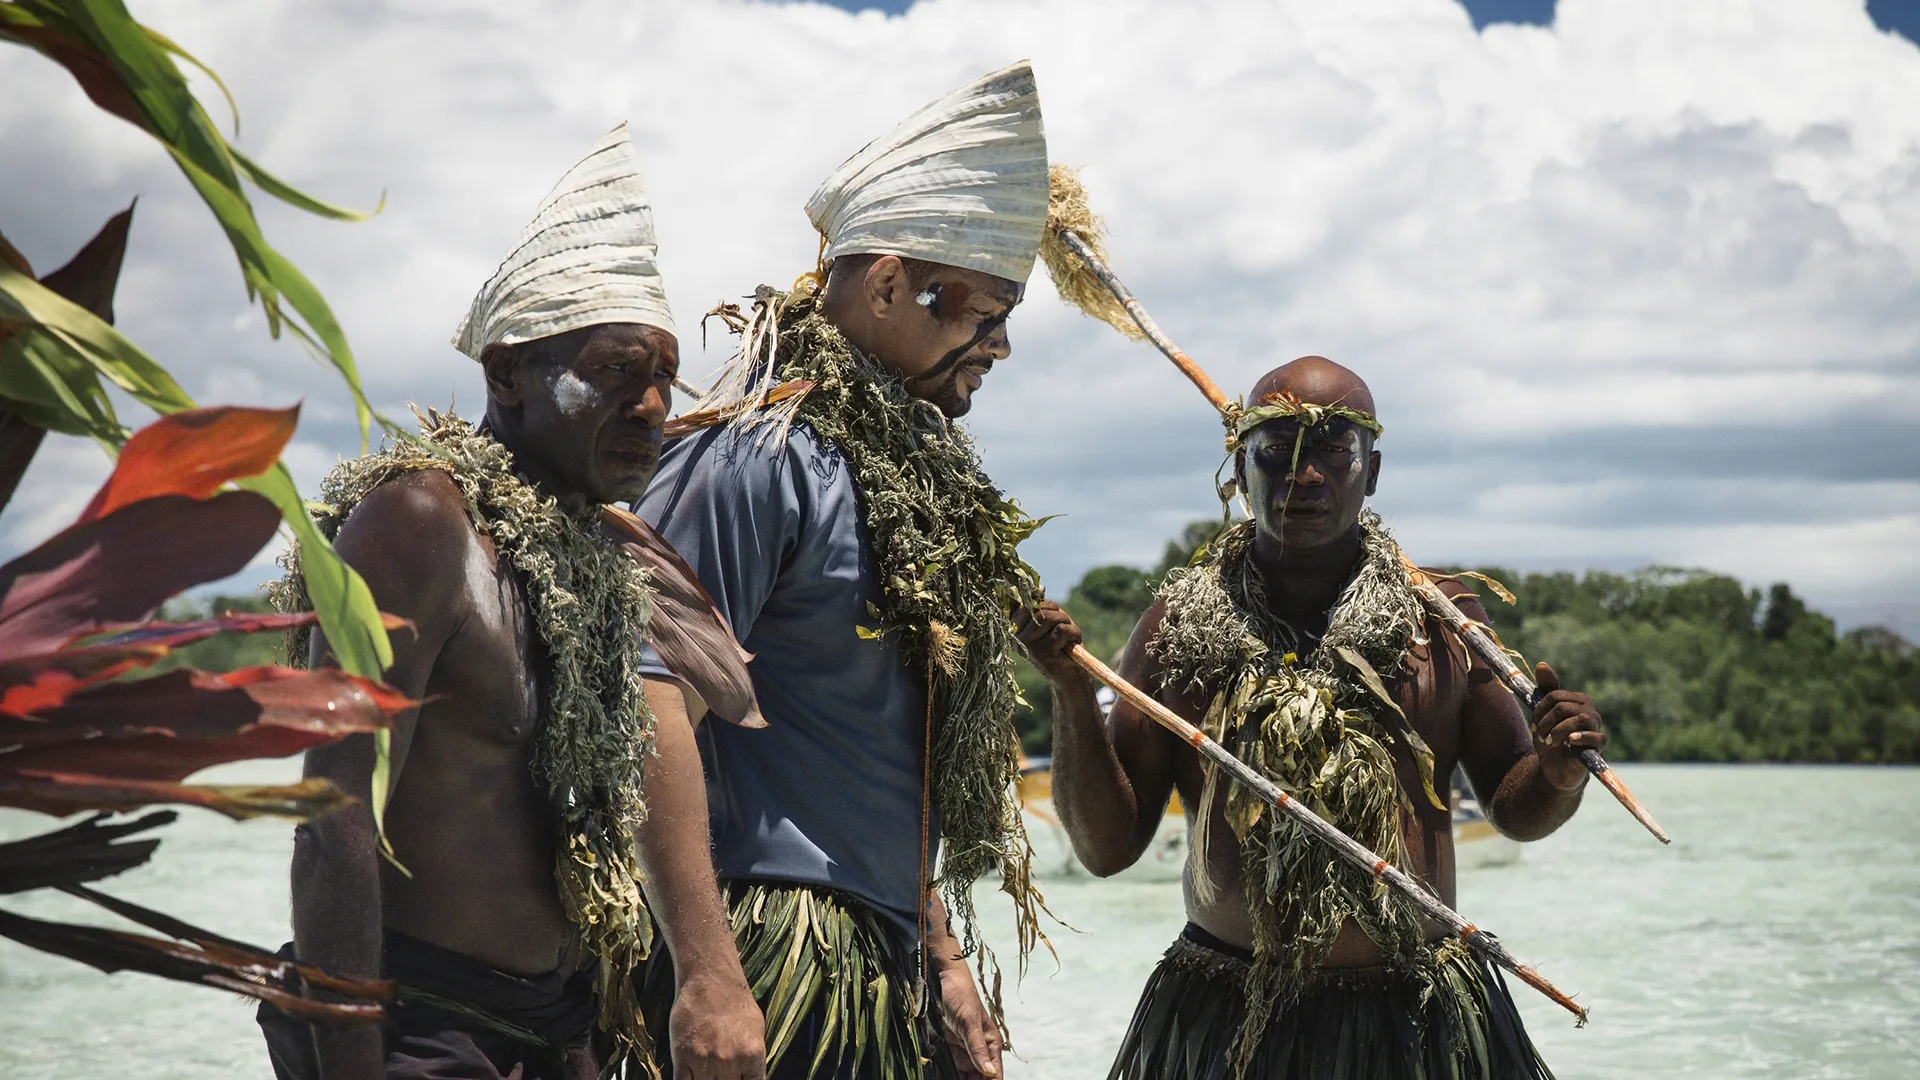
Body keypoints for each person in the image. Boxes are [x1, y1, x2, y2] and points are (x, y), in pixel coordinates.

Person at [259, 126, 766, 1080]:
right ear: (506, 376)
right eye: (616, 370)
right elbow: (335, 825)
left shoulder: (597, 564)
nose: (654, 403)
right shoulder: (417, 523)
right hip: (419, 1027)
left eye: (664, 374)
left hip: (551, 1030)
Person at [633, 61, 1075, 1079]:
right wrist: (705, 972)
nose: (999, 346)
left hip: (881, 954)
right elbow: (646, 700)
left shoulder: (892, 478)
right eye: (983, 310)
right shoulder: (755, 458)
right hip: (771, 951)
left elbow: (877, 748)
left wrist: (943, 956)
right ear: (886, 285)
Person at [1034, 355, 1607, 1079]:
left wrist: (1558, 772)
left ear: (1371, 471)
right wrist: (1071, 692)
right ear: (1240, 472)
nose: (1304, 476)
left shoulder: (1445, 622)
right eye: (1276, 451)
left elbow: (1517, 812)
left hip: (1415, 1014)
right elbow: (1106, 848)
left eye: (1335, 450)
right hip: (1227, 1015)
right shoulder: (1178, 628)